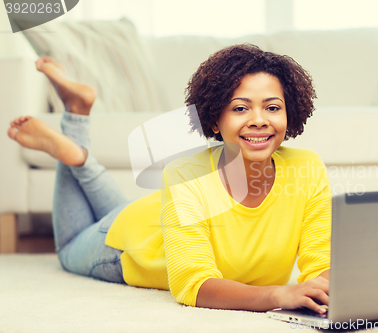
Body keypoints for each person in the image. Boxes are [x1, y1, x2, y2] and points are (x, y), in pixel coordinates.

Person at [7, 44, 331, 314]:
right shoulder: (184, 175)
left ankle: (78, 124)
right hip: (129, 245)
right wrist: (277, 295)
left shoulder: (308, 168)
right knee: (68, 248)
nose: (259, 120)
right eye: (240, 109)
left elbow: (321, 264)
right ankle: (75, 147)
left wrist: (337, 285)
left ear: (290, 115)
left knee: (119, 208)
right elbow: (192, 284)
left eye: (272, 107)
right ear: (215, 121)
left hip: (154, 214)